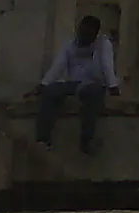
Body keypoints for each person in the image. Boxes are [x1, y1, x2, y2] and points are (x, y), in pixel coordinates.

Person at [37, 15, 119, 155]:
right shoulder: (69, 45)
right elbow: (58, 66)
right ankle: (43, 140)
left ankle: (87, 139)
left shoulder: (103, 44)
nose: (84, 36)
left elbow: (107, 65)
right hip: (74, 83)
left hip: (94, 84)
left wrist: (113, 85)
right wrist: (44, 84)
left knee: (92, 99)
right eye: (82, 32)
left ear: (95, 34)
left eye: (88, 34)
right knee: (50, 93)